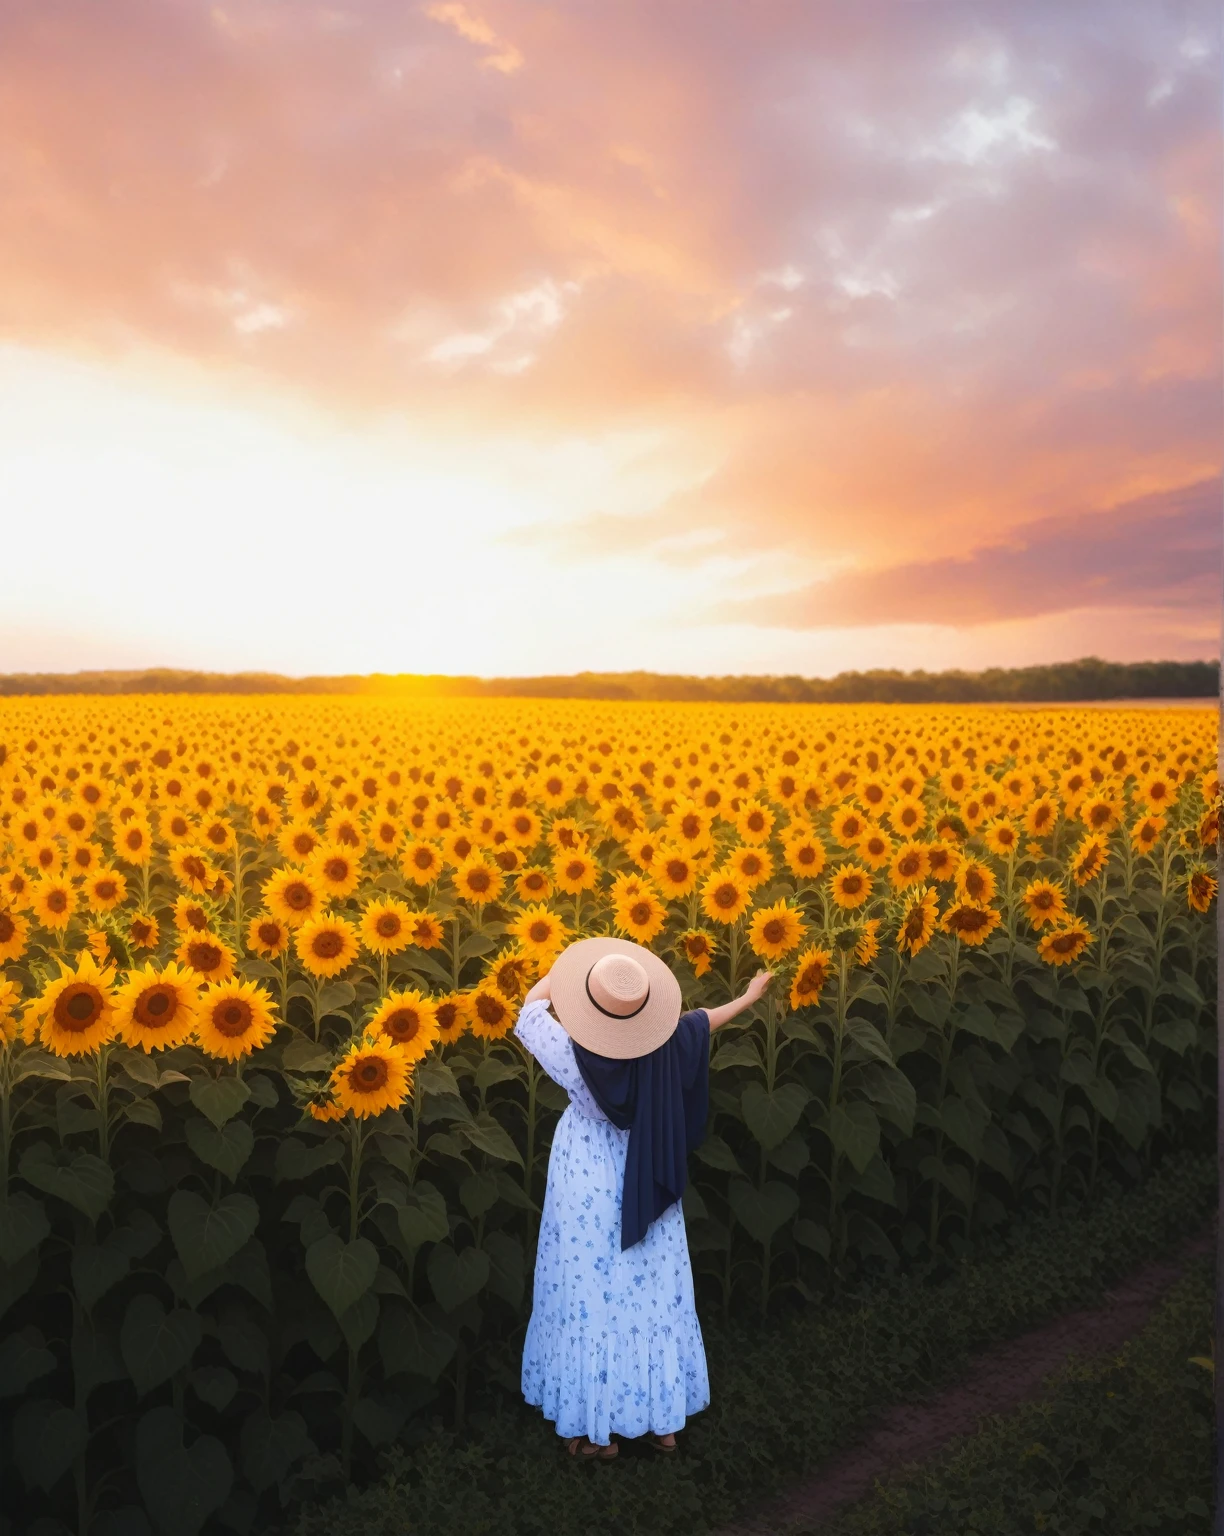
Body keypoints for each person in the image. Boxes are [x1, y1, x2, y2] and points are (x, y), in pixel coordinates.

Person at [514, 933, 773, 1459]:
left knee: (587, 1289)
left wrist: (564, 972)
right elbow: (703, 1022)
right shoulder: (665, 1046)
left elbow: (529, 1011)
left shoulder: (569, 1053)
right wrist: (748, 996)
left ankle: (594, 1433)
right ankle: (662, 1424)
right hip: (645, 1163)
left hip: (586, 1173)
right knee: (652, 1285)